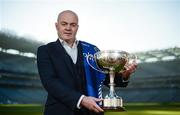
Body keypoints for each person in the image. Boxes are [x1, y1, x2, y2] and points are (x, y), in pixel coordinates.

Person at [37, 10, 137, 115]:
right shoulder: (45, 50)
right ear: (57, 26)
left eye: (73, 24)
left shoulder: (91, 50)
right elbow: (50, 82)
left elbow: (107, 79)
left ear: (77, 27)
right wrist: (81, 99)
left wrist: (125, 74)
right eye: (64, 24)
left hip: (91, 112)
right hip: (59, 111)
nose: (68, 28)